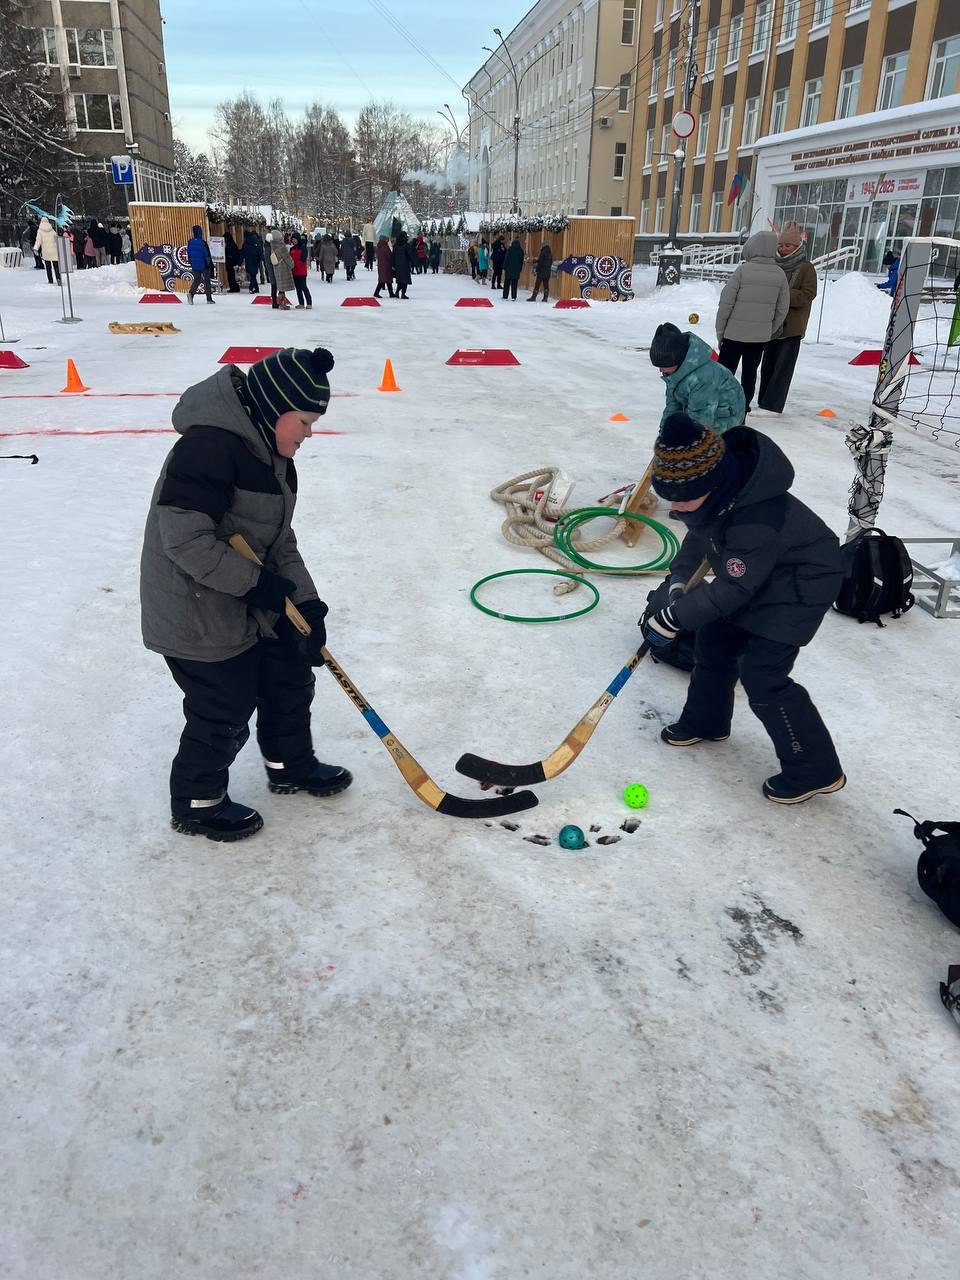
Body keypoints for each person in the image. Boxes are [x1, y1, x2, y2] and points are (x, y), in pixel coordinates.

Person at [139, 345, 352, 841]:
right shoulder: (207, 450)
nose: (309, 433)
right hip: (196, 610)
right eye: (305, 421)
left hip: (246, 593)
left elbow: (279, 541)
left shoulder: (272, 456)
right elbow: (185, 541)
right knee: (225, 705)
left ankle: (288, 764)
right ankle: (198, 803)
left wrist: (305, 602)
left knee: (289, 673)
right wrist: (259, 586)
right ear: (276, 409)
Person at [639, 411, 845, 805]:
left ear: (712, 484)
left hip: (799, 587)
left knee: (762, 675)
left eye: (682, 499)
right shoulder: (715, 497)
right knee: (714, 642)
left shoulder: (757, 520)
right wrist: (679, 581)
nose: (676, 508)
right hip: (755, 576)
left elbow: (735, 587)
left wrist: (675, 617)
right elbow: (699, 539)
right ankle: (707, 721)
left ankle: (815, 769)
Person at [715, 230, 789, 414]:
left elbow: (726, 302)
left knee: (724, 371)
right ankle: (743, 405)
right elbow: (782, 308)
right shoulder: (780, 274)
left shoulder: (742, 271)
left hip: (734, 334)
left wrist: (720, 329)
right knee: (750, 373)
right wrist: (769, 330)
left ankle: (719, 403)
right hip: (759, 337)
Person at [758, 221, 818, 415]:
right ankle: (763, 402)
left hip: (792, 326)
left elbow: (808, 294)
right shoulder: (773, 265)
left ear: (797, 246)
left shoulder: (806, 268)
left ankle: (772, 406)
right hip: (771, 323)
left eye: (788, 245)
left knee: (783, 368)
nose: (783, 249)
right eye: (781, 245)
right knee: (767, 365)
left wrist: (783, 293)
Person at [650, 322, 744, 433]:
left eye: (664, 366)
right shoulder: (673, 372)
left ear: (677, 359)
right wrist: (664, 432)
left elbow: (701, 419)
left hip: (725, 417)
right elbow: (673, 405)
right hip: (699, 407)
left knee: (696, 437)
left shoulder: (702, 377)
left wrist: (686, 439)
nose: (661, 370)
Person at [186, 224, 215, 305]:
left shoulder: (190, 242)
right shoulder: (203, 242)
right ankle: (209, 299)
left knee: (197, 280)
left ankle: (191, 294)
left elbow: (189, 254)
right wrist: (209, 264)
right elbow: (206, 254)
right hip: (204, 264)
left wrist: (191, 262)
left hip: (195, 265)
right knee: (207, 281)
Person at [266, 229, 294, 308]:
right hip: (283, 268)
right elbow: (287, 257)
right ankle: (282, 304)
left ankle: (276, 303)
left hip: (276, 268)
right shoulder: (281, 246)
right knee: (282, 288)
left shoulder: (272, 246)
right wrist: (292, 265)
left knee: (277, 286)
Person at [33, 217, 61, 286]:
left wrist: (35, 249)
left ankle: (50, 280)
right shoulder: (52, 230)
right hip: (54, 251)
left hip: (46, 251)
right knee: (56, 266)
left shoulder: (40, 230)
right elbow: (57, 239)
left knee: (48, 267)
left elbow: (38, 241)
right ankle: (58, 278)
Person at [290, 233, 313, 308]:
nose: (294, 241)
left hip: (301, 270)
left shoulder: (303, 247)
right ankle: (301, 303)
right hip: (294, 271)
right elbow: (290, 259)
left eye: (295, 239)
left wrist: (297, 266)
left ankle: (309, 303)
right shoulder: (291, 249)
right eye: (293, 239)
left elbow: (303, 258)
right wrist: (292, 267)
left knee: (303, 286)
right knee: (298, 288)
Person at [242, 227, 264, 293]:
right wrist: (260, 258)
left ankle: (251, 287)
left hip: (249, 260)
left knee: (253, 275)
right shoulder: (256, 240)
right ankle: (256, 288)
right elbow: (260, 251)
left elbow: (243, 251)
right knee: (253, 274)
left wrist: (240, 261)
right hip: (255, 260)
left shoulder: (246, 242)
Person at [392, 231, 411, 299]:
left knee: (400, 280)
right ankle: (403, 294)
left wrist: (393, 265)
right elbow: (409, 255)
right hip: (405, 265)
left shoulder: (395, 245)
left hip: (398, 265)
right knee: (405, 280)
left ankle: (397, 292)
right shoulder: (406, 245)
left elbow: (393, 255)